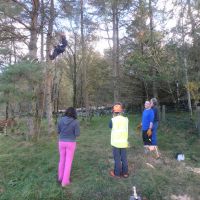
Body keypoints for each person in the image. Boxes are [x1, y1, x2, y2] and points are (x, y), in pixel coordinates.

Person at [57, 107, 80, 187]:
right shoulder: (75, 122)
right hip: (70, 143)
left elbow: (58, 131)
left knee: (62, 160)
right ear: (74, 113)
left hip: (61, 142)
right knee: (68, 162)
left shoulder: (60, 120)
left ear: (66, 112)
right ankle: (65, 181)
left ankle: (60, 178)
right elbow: (77, 134)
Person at [109, 103, 129, 178]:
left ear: (114, 112)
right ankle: (125, 173)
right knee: (124, 158)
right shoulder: (126, 119)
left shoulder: (112, 120)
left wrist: (113, 117)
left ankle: (117, 173)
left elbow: (110, 126)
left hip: (115, 143)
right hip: (124, 142)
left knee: (117, 158)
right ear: (121, 111)